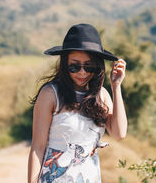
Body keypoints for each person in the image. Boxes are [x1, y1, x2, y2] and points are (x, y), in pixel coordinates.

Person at [28, 23, 127, 183]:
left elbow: (119, 133)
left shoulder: (101, 95)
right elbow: (37, 148)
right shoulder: (51, 94)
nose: (82, 72)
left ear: (97, 66)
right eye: (74, 66)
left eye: (88, 66)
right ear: (65, 64)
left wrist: (116, 86)